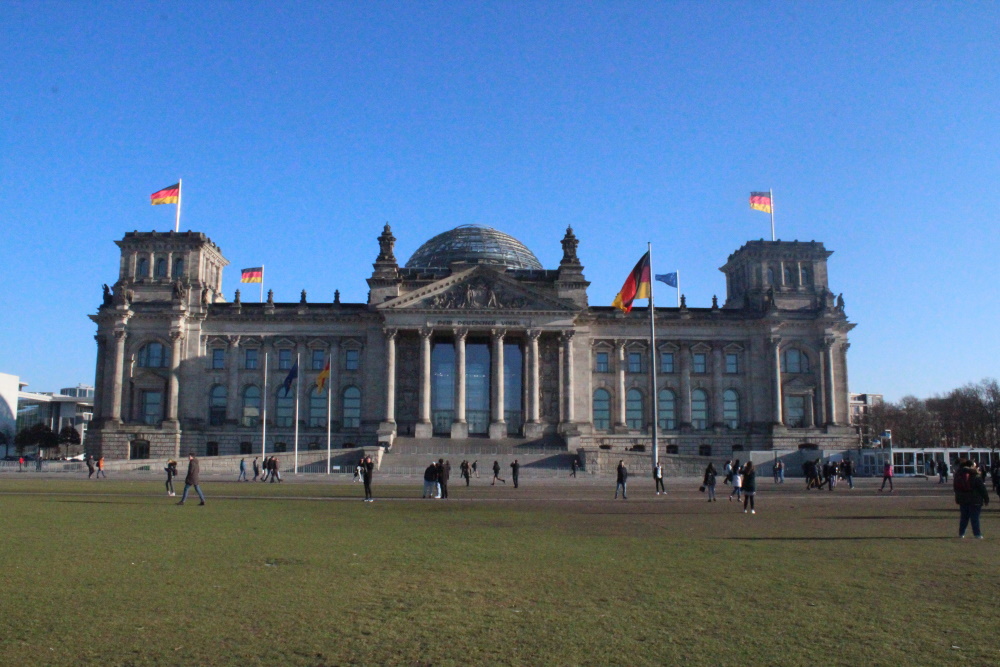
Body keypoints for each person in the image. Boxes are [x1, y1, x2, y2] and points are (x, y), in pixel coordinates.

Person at [953, 459, 989, 538]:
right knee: (975, 518)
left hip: (963, 500)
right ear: (971, 466)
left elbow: (956, 488)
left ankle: (961, 533)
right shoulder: (975, 475)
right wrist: (986, 498)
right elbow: (982, 488)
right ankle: (977, 534)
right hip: (975, 500)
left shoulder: (958, 474)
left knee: (964, 517)